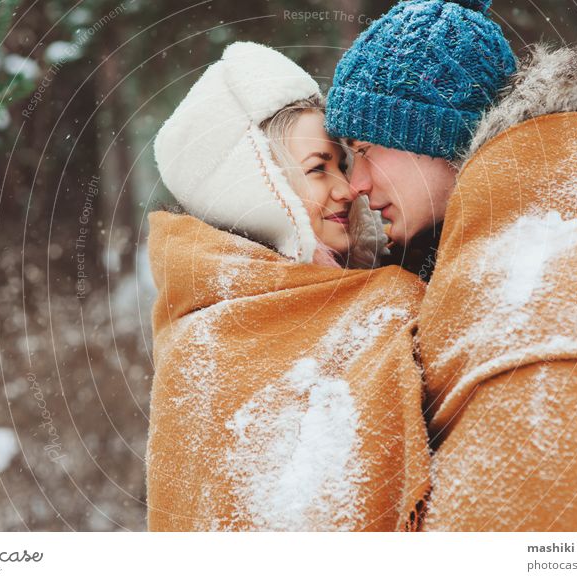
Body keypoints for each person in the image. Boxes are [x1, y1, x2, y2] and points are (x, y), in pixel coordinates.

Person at [326, 0, 577, 530]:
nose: (355, 183)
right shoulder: (490, 274)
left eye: (366, 148)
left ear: (433, 136)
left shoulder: (548, 297)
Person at [147, 41, 432, 531]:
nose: (346, 188)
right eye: (318, 168)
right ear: (259, 188)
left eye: (342, 165)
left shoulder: (377, 297)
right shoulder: (202, 344)